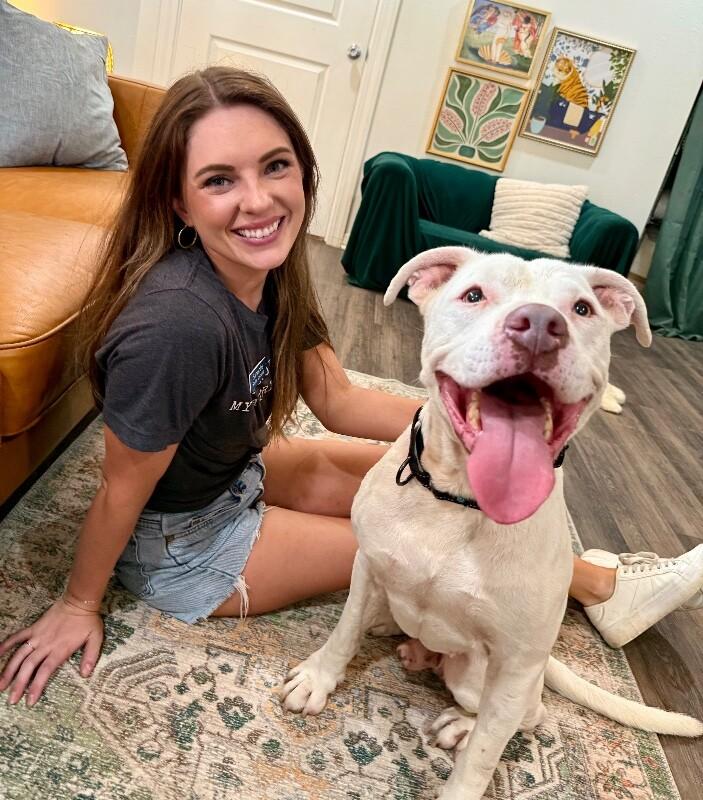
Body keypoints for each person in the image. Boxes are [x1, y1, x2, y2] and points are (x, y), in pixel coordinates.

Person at [1, 67, 701, 708]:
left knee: (426, 485)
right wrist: (75, 602)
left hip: (232, 474)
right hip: (179, 540)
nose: (258, 200)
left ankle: (586, 579)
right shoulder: (177, 328)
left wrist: (490, 427)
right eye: (218, 180)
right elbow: (121, 488)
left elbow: (335, 400)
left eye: (275, 167)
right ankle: (601, 587)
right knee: (409, 555)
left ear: (302, 171)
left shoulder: (270, 269)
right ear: (178, 202)